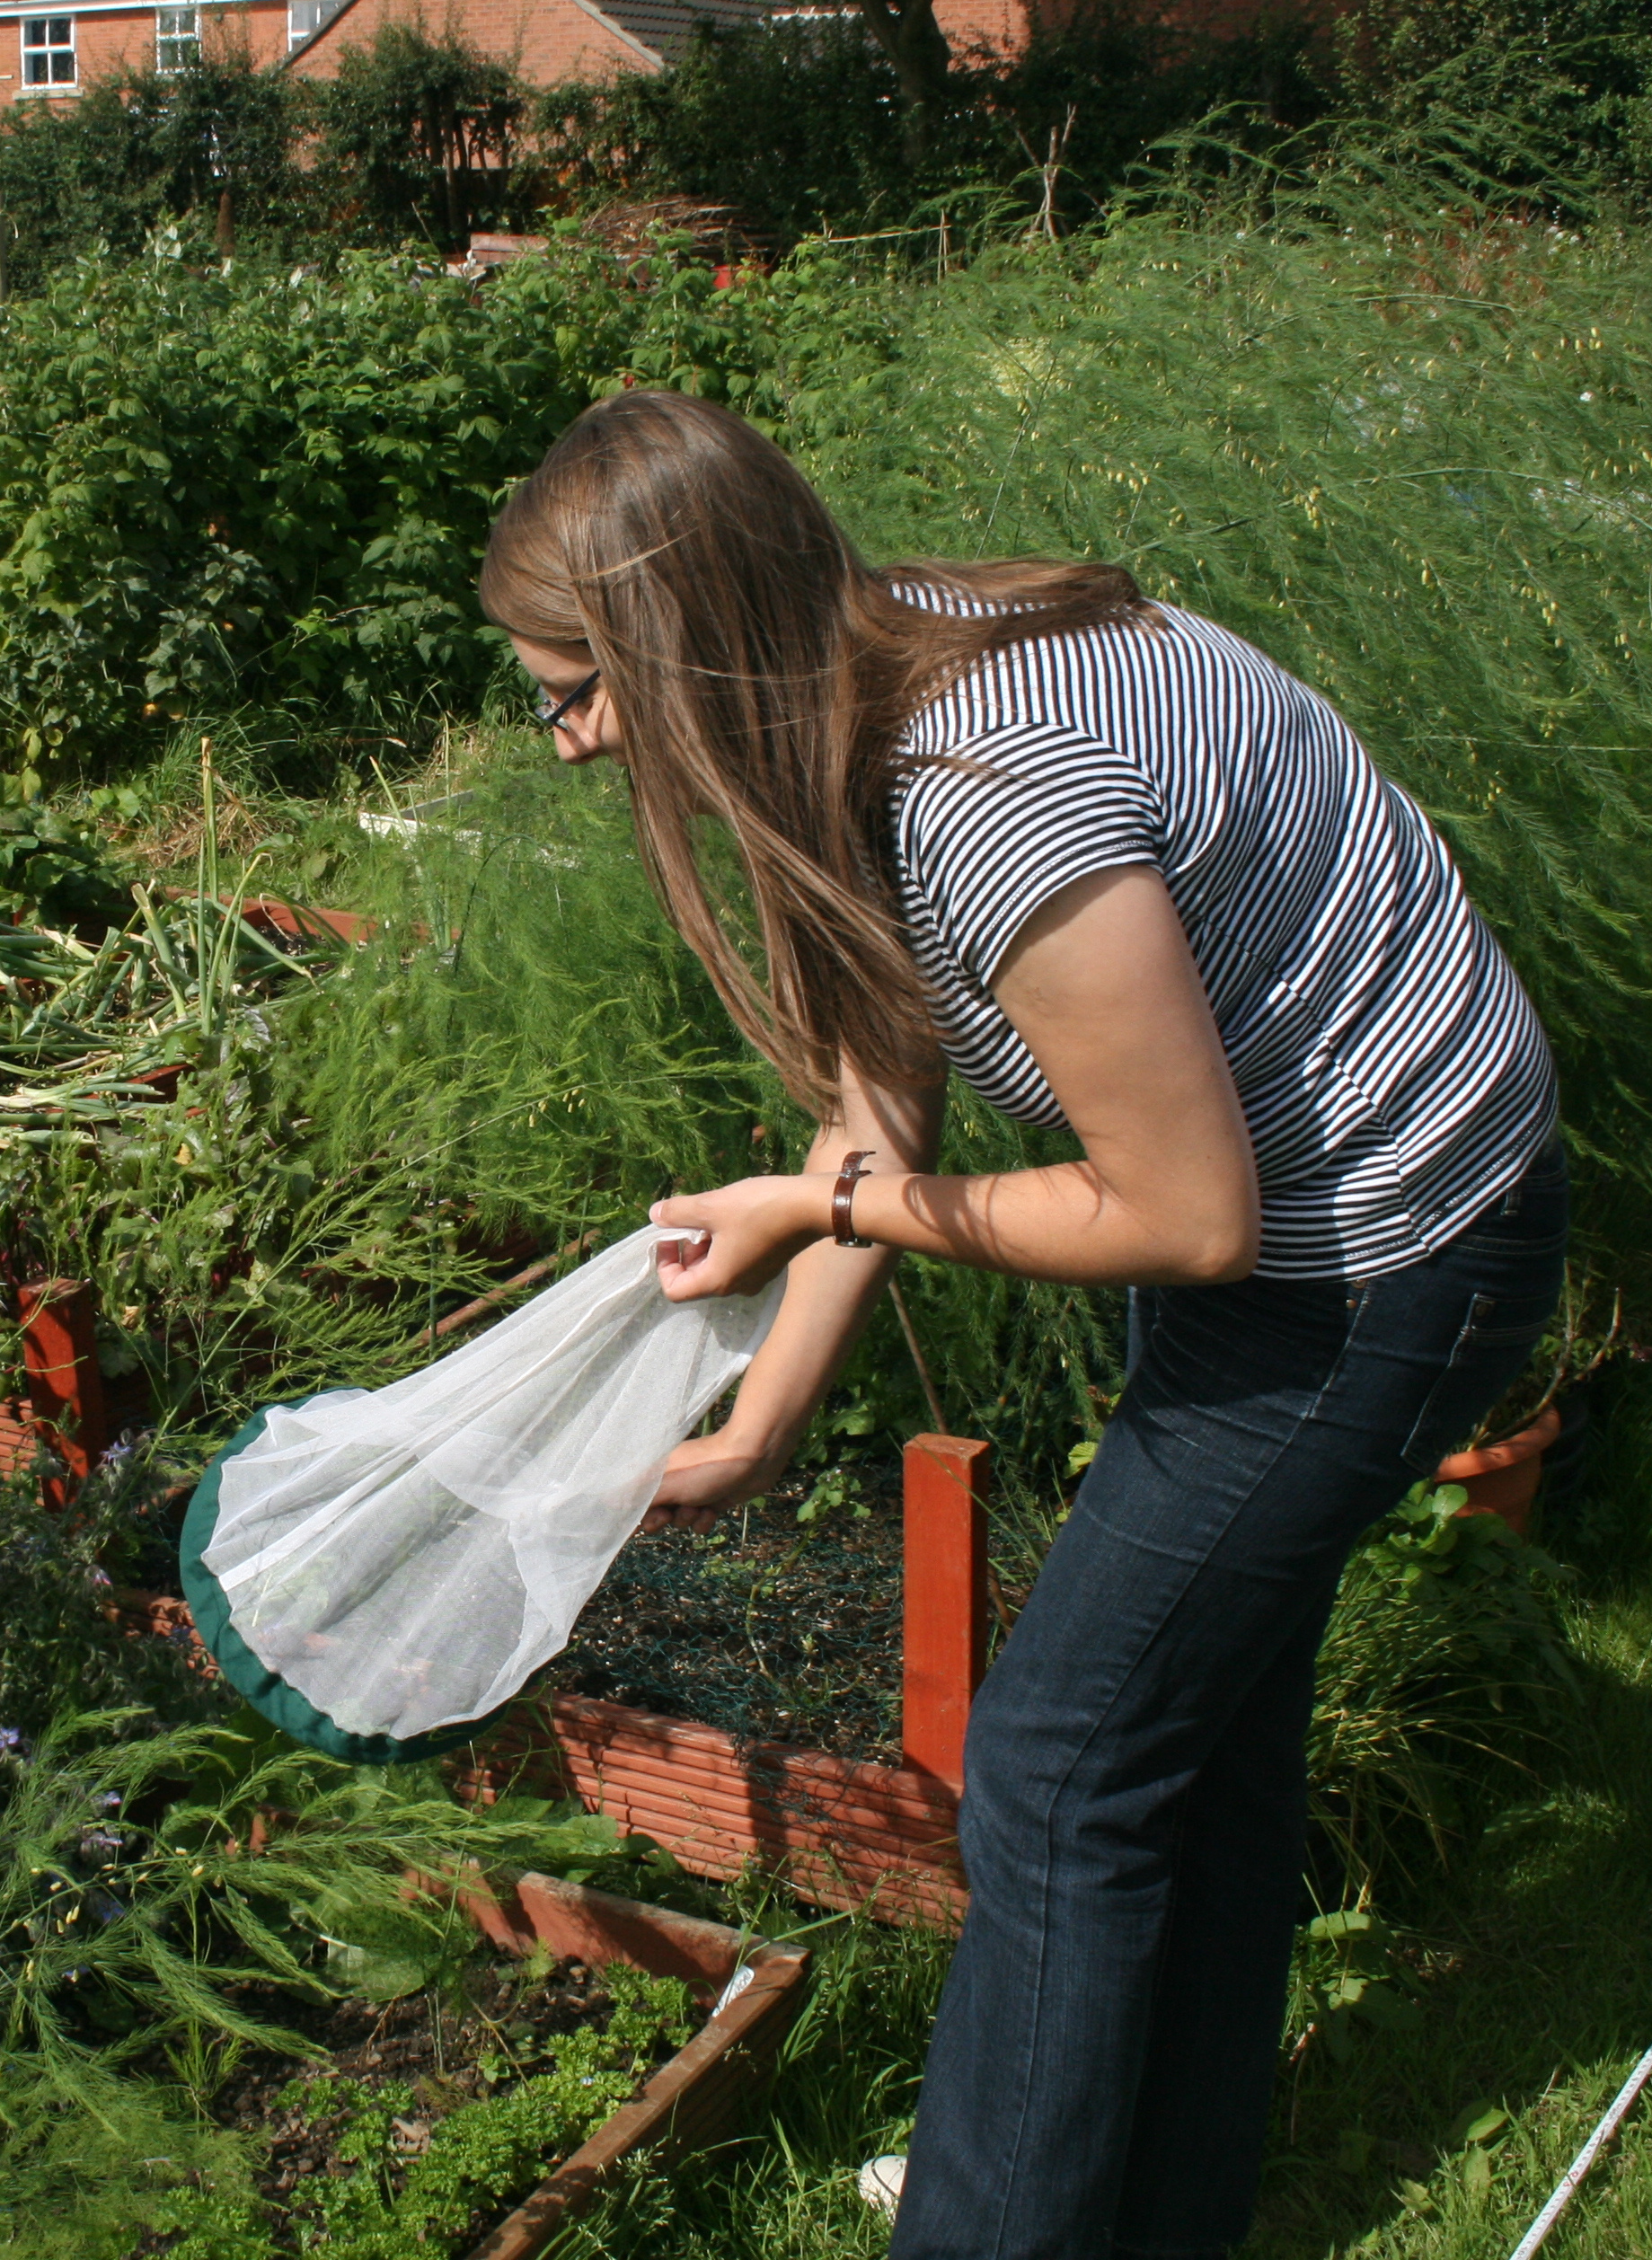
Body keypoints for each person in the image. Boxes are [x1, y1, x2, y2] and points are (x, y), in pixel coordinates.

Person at [479, 392, 1566, 2260]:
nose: (567, 743)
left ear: (685, 648)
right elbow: (881, 1080)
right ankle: (1164, 2210)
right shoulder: (860, 663)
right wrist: (768, 1417)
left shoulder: (987, 796)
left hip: (1385, 1261)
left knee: (1059, 1774)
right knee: (1180, 1752)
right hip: (1310, 1232)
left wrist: (818, 1210)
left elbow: (1184, 1218)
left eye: (576, 691)